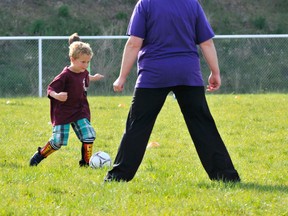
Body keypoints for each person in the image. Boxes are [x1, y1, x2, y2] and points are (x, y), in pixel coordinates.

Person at [104, 0, 241, 182]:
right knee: (203, 125)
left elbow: (134, 43)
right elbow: (206, 43)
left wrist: (122, 77)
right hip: (187, 73)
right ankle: (226, 177)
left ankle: (118, 178)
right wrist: (215, 72)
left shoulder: (146, 4)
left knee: (137, 125)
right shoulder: (191, 4)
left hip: (154, 75)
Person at [29, 41, 104, 167]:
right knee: (57, 142)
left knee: (89, 135)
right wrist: (57, 96)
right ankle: (40, 154)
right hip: (63, 112)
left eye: (88, 62)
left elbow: (84, 77)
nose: (86, 65)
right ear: (72, 59)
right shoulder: (65, 76)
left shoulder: (84, 72)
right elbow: (50, 89)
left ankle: (86, 163)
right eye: (83, 62)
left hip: (80, 110)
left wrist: (93, 77)